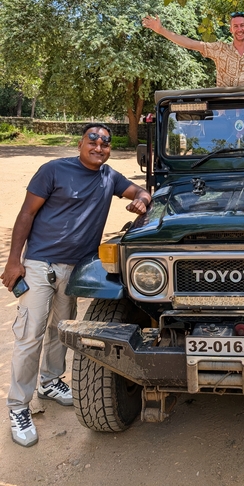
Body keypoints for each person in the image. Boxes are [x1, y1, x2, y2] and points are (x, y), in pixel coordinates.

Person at [1, 123, 152, 447]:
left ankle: (50, 381)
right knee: (30, 335)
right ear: (81, 142)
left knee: (60, 329)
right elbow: (26, 214)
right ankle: (18, 407)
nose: (99, 146)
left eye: (105, 142)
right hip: (40, 265)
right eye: (93, 140)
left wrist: (141, 199)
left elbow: (140, 192)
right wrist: (15, 261)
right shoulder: (54, 170)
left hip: (75, 270)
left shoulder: (109, 177)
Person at [142, 11, 244, 87]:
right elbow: (191, 43)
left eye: (242, 26)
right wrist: (161, 30)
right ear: (231, 30)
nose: (239, 29)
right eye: (235, 26)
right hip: (224, 111)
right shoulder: (220, 49)